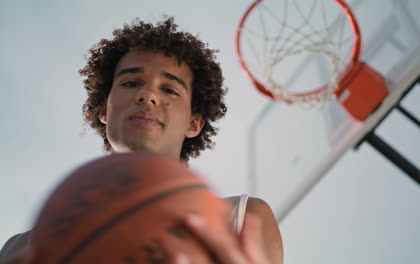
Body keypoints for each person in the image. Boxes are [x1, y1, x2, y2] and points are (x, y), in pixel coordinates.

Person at [0, 17, 283, 264]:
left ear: (194, 123)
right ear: (103, 109)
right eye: (131, 83)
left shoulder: (243, 219)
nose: (148, 95)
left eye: (170, 89)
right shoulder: (24, 247)